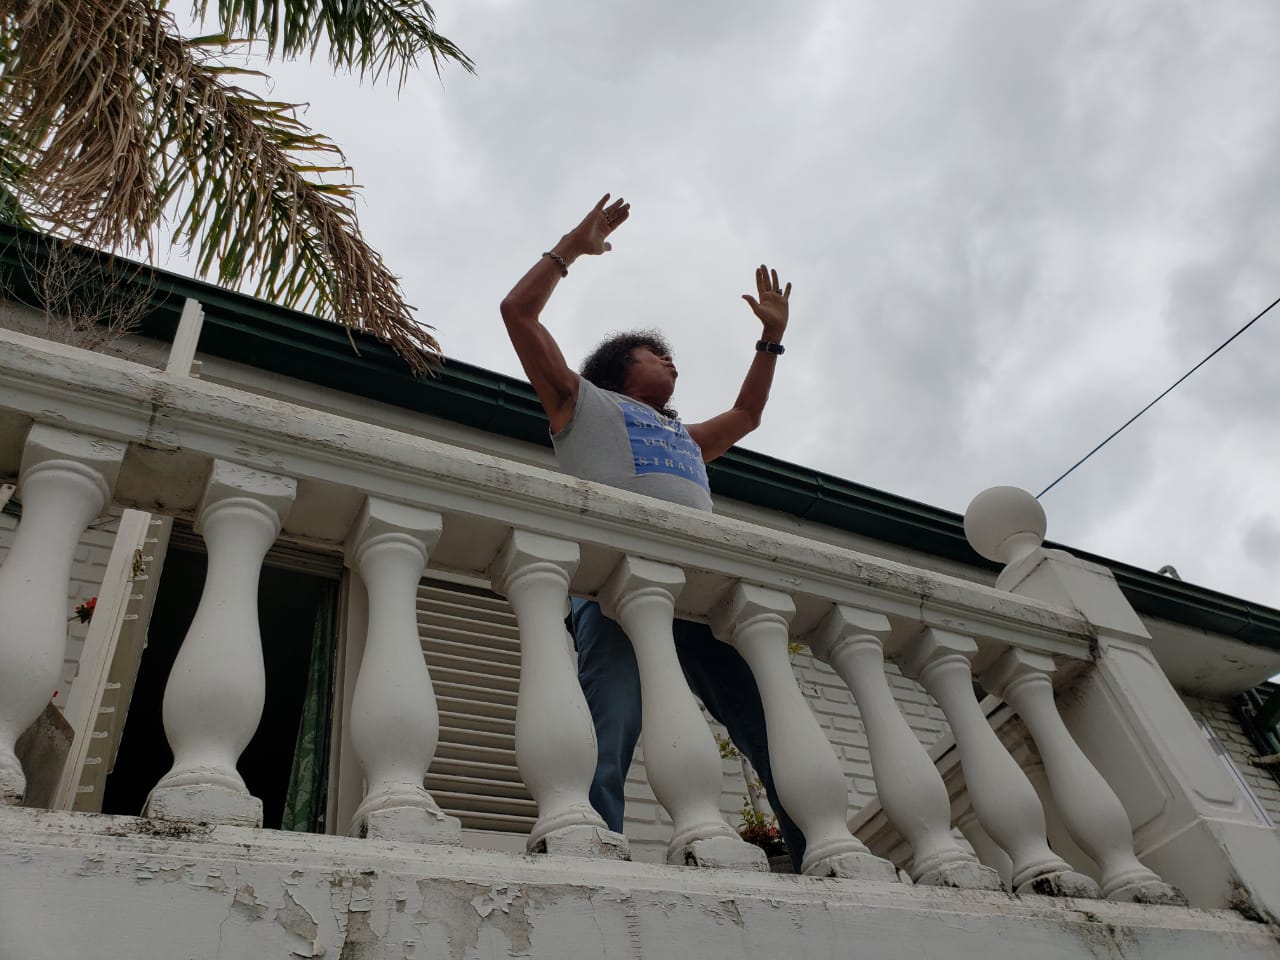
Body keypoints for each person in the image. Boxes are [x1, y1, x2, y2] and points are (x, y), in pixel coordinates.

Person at [499, 193, 803, 868]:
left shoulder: (685, 436)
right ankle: (594, 842)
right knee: (613, 717)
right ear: (620, 367)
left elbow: (747, 413)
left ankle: (810, 840)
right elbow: (517, 313)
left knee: (758, 718)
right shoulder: (582, 403)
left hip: (697, 593)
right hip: (612, 584)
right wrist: (571, 248)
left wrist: (771, 338)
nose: (672, 366)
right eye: (656, 356)